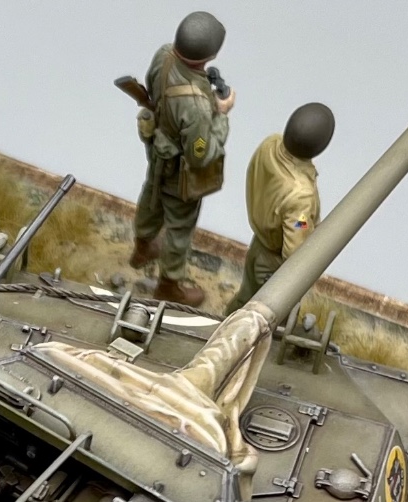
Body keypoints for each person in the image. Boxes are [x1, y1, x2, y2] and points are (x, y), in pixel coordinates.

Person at [130, 11, 234, 307]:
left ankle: (142, 247)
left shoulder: (163, 55)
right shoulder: (197, 106)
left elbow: (153, 87)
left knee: (151, 195)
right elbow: (201, 154)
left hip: (158, 148)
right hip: (178, 170)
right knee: (179, 226)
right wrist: (222, 115)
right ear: (210, 55)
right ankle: (169, 285)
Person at [225, 103, 335, 313]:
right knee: (270, 318)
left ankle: (221, 325)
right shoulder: (301, 195)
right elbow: (295, 248)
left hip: (259, 245)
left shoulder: (270, 145)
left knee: (244, 299)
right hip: (273, 265)